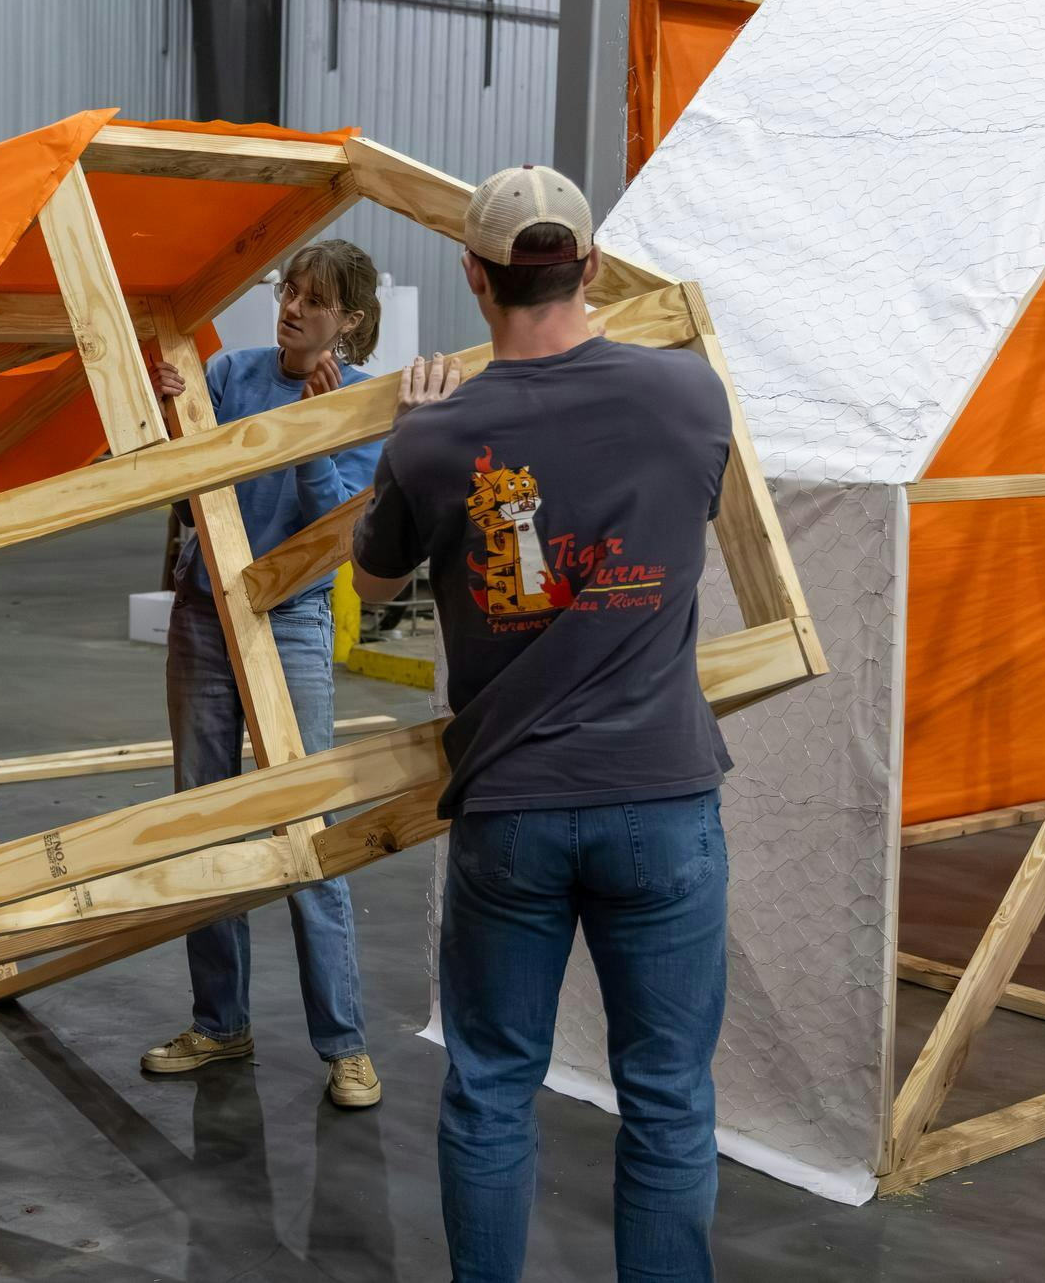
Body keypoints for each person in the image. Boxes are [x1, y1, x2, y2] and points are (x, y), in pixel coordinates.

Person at [351, 167, 733, 1281]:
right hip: (657, 801)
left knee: (490, 1086)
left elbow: (371, 591)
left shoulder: (433, 437)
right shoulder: (688, 398)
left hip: (510, 809)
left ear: (472, 277)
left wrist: (409, 435)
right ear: (593, 269)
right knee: (665, 1098)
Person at [139, 239, 387, 1109]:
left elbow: (342, 529)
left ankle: (345, 1044)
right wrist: (167, 410)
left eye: (315, 300)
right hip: (205, 616)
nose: (293, 307)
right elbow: (174, 464)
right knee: (204, 822)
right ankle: (220, 1023)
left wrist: (317, 438)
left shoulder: (361, 402)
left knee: (306, 829)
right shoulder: (232, 371)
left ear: (349, 320)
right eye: (289, 290)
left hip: (290, 621)